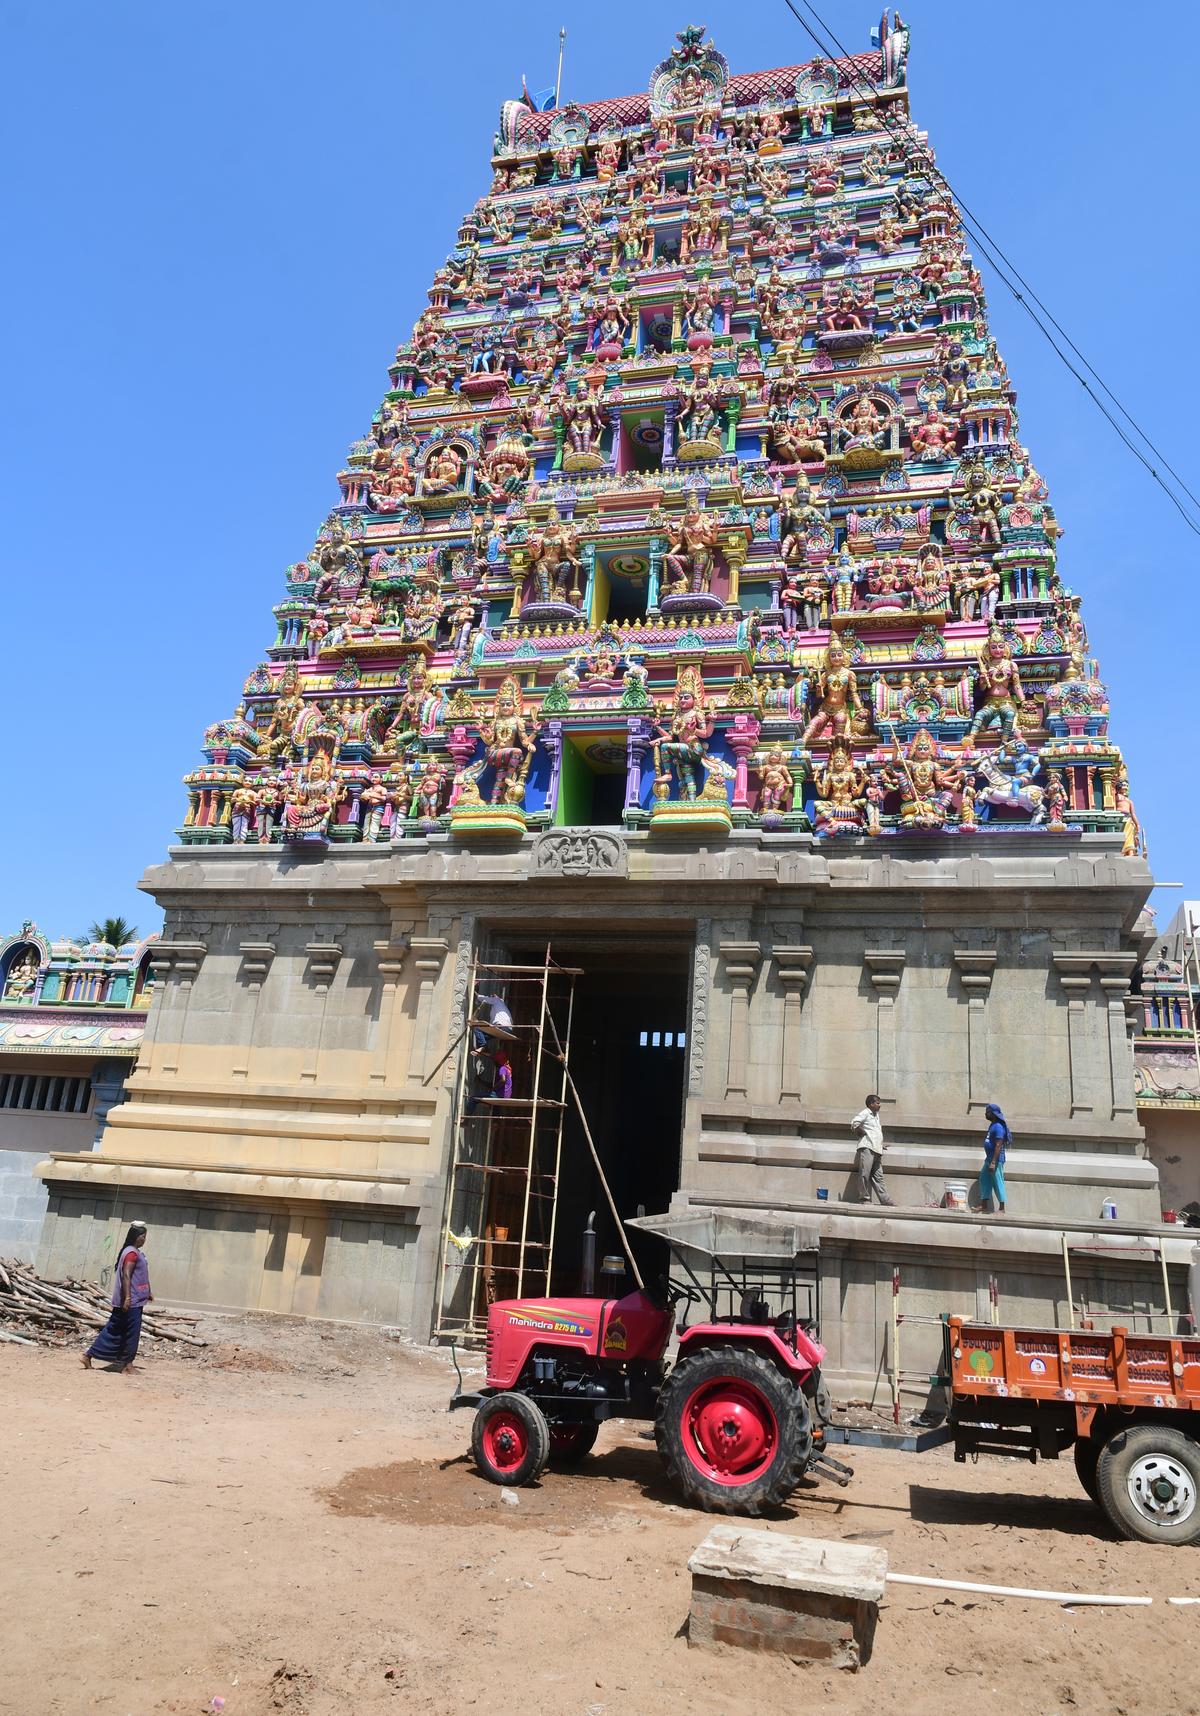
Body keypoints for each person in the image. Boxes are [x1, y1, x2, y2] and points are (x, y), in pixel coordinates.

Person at [81, 1222, 152, 1373]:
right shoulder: (132, 1253)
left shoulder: (131, 1251)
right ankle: (128, 1365)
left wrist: (148, 1291)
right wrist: (127, 1298)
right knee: (132, 1332)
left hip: (132, 1298)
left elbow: (140, 1275)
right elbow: (126, 1275)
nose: (144, 1239)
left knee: (114, 1329)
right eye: (142, 1236)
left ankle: (89, 1355)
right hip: (131, 1301)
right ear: (136, 1237)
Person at [850, 1094, 893, 1206]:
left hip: (876, 1149)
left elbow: (875, 1132)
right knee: (865, 1173)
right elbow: (854, 1122)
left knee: (879, 1176)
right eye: (877, 1103)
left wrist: (880, 1145)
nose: (880, 1105)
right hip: (867, 1147)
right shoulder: (866, 1112)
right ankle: (864, 1198)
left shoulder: (876, 1116)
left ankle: (885, 1199)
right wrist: (861, 1131)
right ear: (871, 1104)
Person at [980, 1103, 1009, 1214]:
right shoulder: (993, 1125)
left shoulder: (998, 1127)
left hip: (995, 1160)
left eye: (987, 1112)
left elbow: (998, 1145)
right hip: (989, 1159)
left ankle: (1002, 1208)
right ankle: (984, 1206)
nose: (985, 1114)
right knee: (984, 1179)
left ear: (993, 1114)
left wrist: (993, 1162)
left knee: (998, 1181)